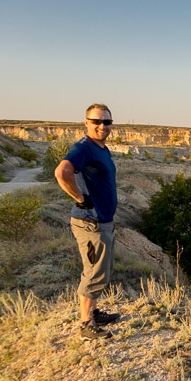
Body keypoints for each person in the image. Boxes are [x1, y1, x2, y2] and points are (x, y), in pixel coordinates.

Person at [54, 103, 120, 340]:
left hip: (102, 221)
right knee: (93, 273)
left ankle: (93, 311)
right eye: (97, 121)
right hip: (90, 223)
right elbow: (62, 172)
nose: (102, 126)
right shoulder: (84, 148)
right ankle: (86, 324)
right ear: (86, 123)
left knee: (102, 270)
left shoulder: (101, 148)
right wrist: (80, 198)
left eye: (107, 122)